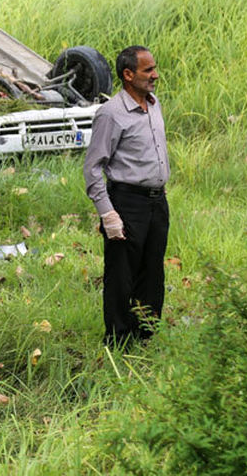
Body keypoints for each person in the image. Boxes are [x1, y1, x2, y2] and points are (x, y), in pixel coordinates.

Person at [83, 45, 170, 347]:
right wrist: (108, 213)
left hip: (156, 201)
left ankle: (145, 334)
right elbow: (93, 168)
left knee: (152, 271)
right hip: (126, 202)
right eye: (148, 70)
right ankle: (119, 340)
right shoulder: (111, 114)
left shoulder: (154, 104)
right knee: (122, 274)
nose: (155, 75)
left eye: (154, 68)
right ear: (128, 74)